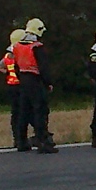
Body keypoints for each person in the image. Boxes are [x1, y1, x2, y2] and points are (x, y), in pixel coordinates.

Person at [13, 18, 58, 154]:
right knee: (40, 111)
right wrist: (48, 82)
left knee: (24, 112)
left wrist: (21, 78)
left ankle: (21, 142)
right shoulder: (37, 47)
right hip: (36, 81)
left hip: (23, 80)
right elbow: (43, 67)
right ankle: (42, 142)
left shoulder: (18, 46)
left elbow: (16, 66)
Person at [0, 29, 26, 147]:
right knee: (24, 112)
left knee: (16, 113)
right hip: (21, 86)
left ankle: (17, 138)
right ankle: (23, 138)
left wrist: (8, 73)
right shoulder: (20, 53)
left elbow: (0, 66)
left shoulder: (8, 55)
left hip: (11, 85)